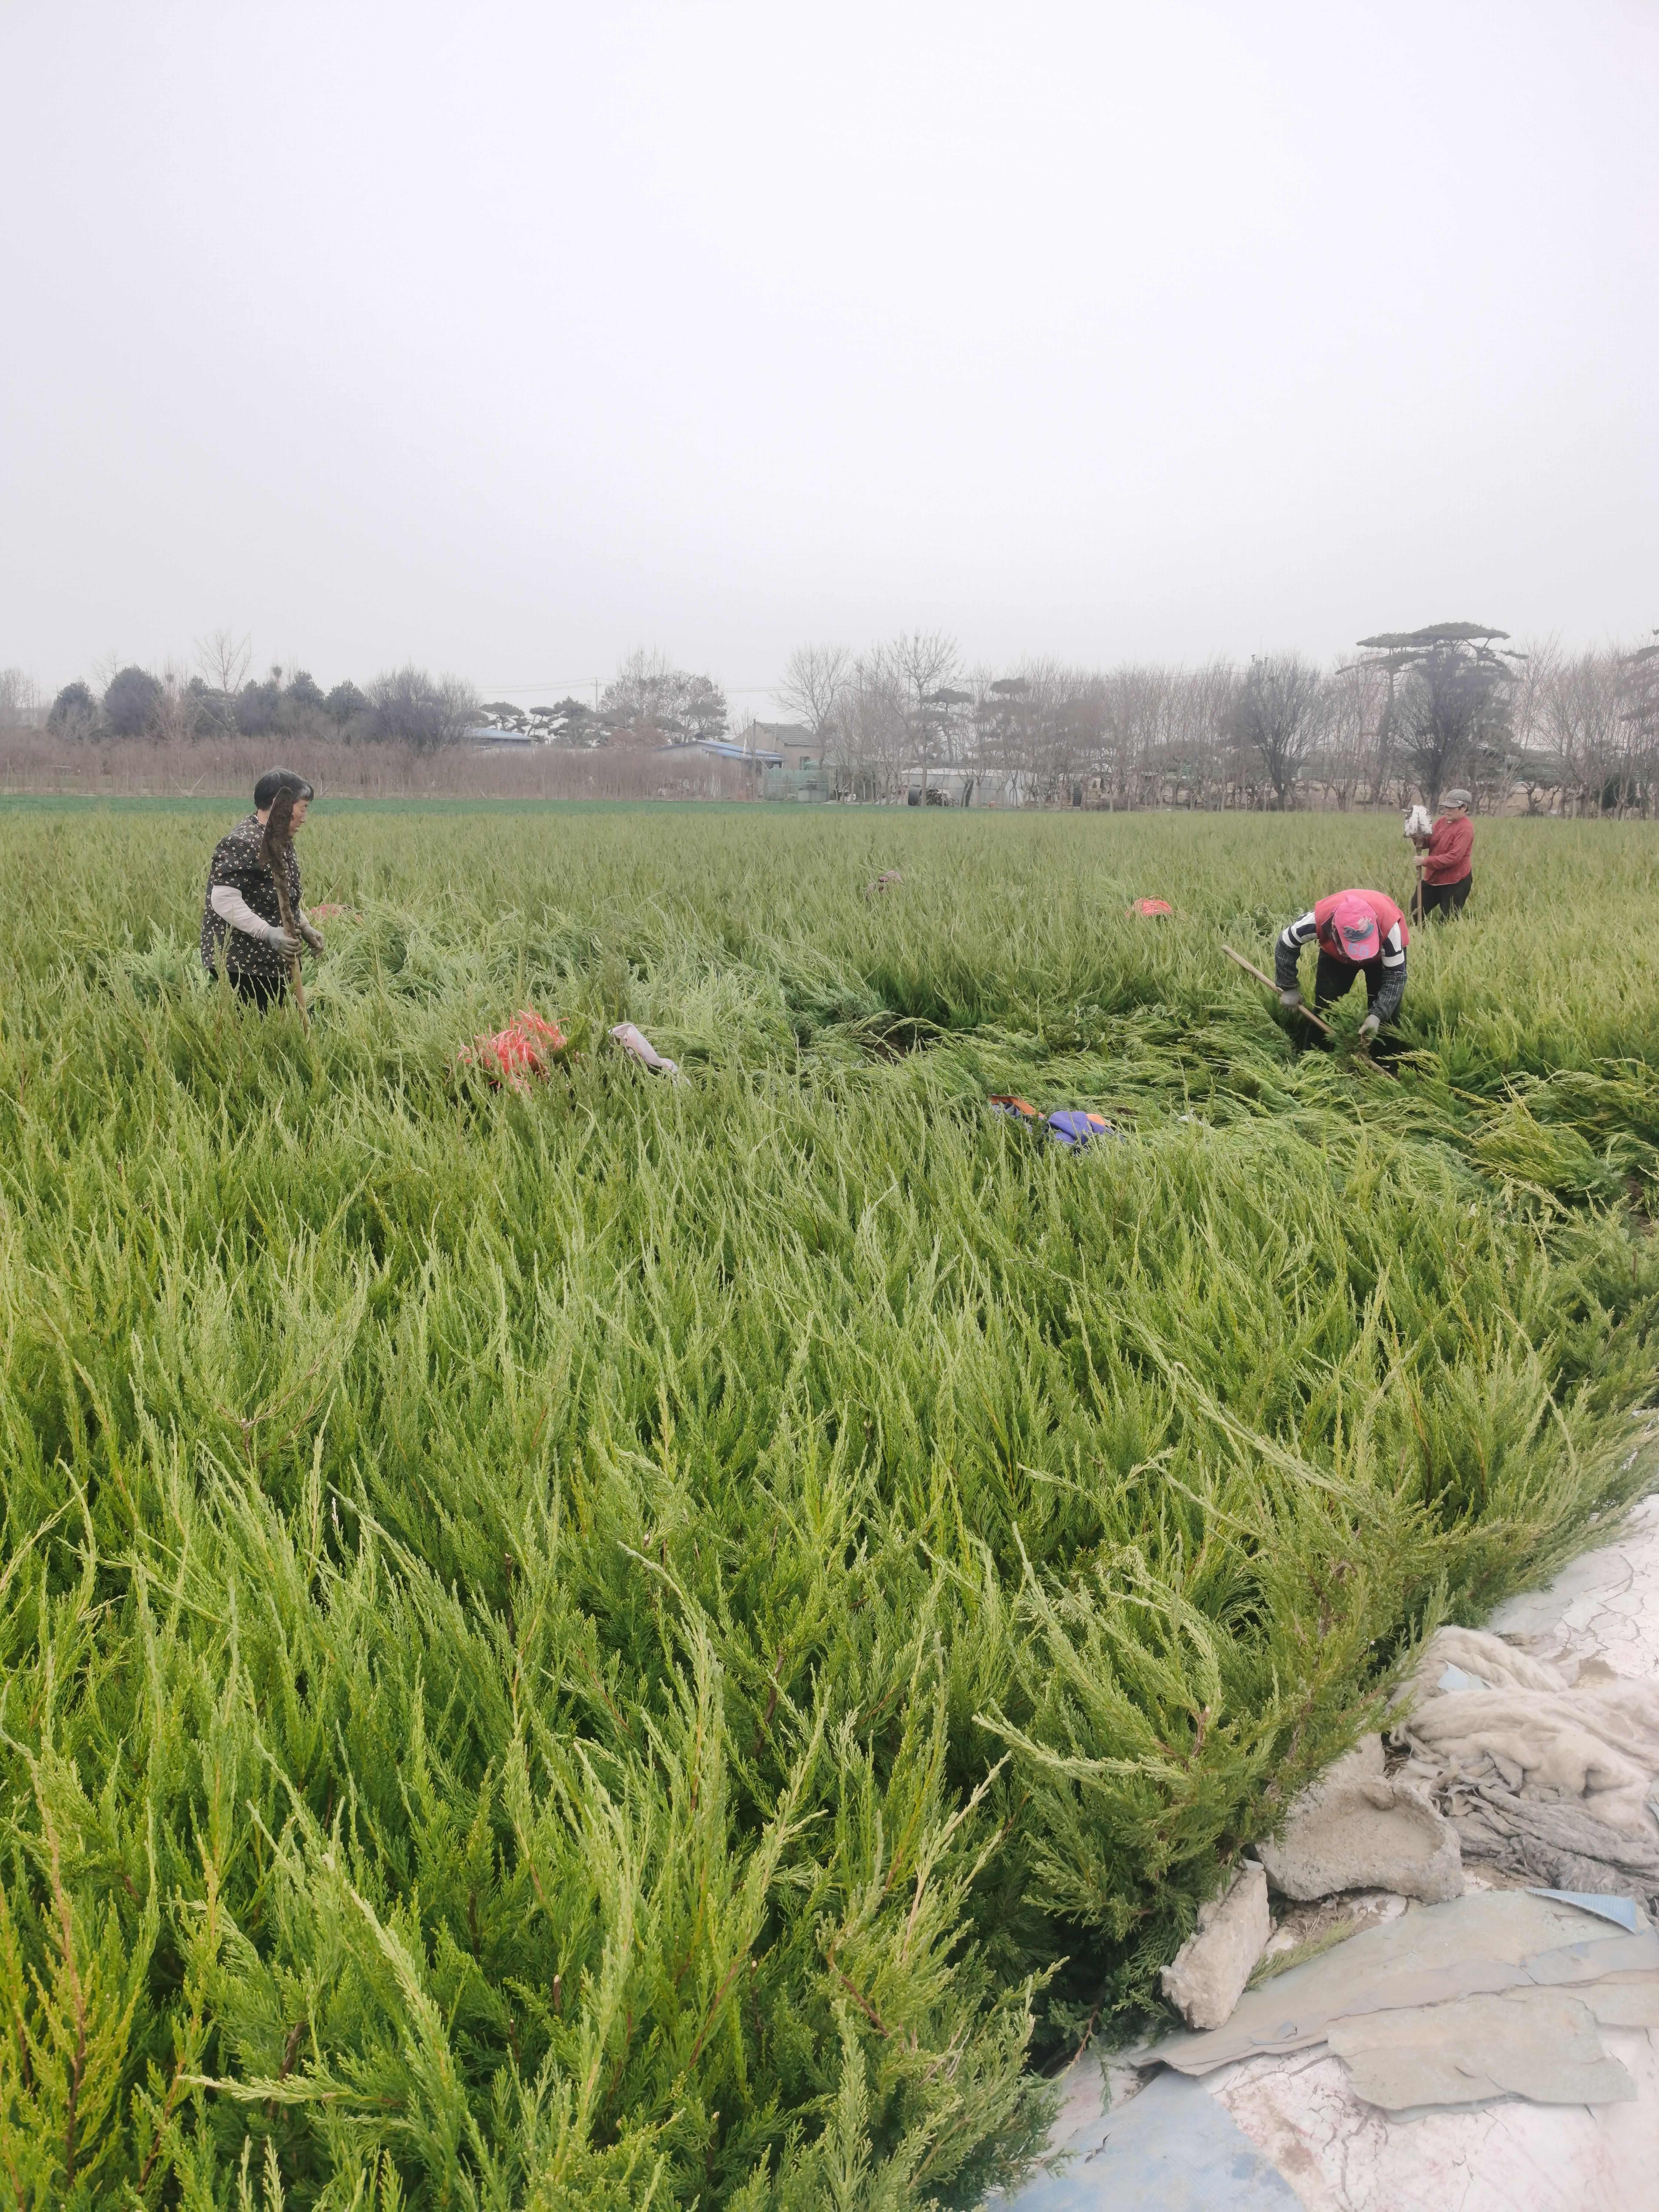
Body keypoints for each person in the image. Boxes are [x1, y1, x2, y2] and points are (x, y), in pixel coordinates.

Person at [199, 768, 324, 1006]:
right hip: (244, 964)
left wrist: (304, 926)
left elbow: (281, 896)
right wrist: (267, 933)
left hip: (270, 961)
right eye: (303, 808)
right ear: (283, 806)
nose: (305, 818)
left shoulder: (278, 839)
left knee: (275, 1024)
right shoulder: (244, 841)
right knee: (255, 1029)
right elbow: (224, 900)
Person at [1275, 887, 1408, 1044]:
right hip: (1336, 958)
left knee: (1387, 1018)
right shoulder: (1317, 920)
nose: (1358, 960)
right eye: (1352, 948)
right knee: (1326, 1009)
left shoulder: (1390, 928)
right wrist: (1288, 987)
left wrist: (1378, 1015)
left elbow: (1396, 977)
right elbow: (1286, 943)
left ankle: (1385, 1061)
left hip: (1380, 956)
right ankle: (1316, 1059)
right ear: (1334, 930)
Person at [1412, 789, 1475, 922]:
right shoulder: (1441, 822)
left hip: (1456, 881)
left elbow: (1454, 858)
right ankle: (1419, 938)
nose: (1448, 811)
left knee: (1448, 920)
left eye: (1452, 808)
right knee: (1415, 912)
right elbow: (1427, 843)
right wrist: (1417, 837)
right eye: (1446, 807)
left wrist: (1425, 861)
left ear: (1464, 808)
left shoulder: (1465, 829)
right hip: (1433, 878)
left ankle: (1442, 940)